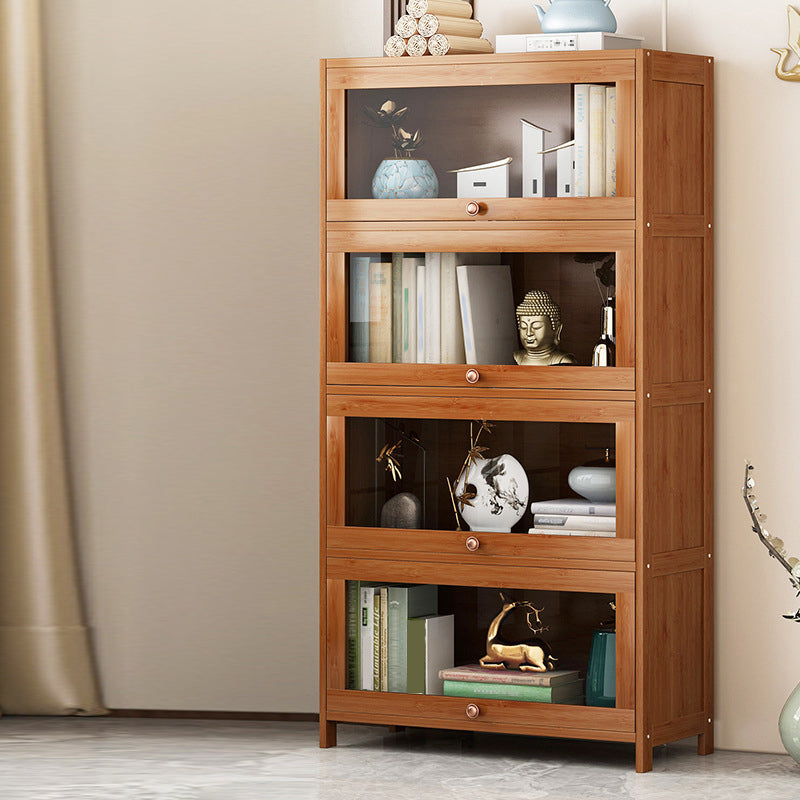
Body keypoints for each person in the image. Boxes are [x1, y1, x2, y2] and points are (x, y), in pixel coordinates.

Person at [513, 289, 577, 366]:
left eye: (536, 327)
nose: (528, 333)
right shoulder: (515, 358)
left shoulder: (563, 360)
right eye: (523, 327)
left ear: (557, 329)